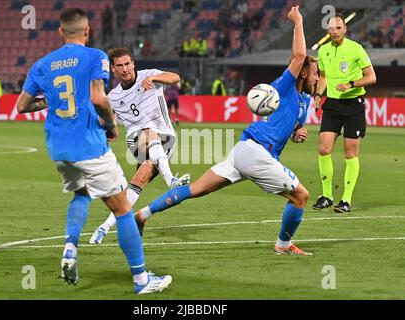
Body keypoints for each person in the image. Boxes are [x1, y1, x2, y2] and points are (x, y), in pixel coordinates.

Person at [135, 6, 318, 256]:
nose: (317, 79)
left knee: (196, 189)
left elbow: (288, 123)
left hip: (244, 152)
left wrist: (297, 132)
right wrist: (297, 21)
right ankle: (283, 245)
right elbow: (299, 56)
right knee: (301, 196)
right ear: (304, 72)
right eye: (315, 74)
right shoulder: (284, 86)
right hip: (257, 154)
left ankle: (142, 215)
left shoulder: (301, 101)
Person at [15, 8, 171, 294]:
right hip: (89, 145)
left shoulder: (42, 64)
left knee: (81, 193)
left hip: (59, 148)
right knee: (124, 209)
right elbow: (99, 98)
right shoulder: (95, 56)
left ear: (60, 32)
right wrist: (111, 125)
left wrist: (50, 103)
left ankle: (70, 249)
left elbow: (22, 106)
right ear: (87, 31)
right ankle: (141, 281)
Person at [89, 47, 190, 244]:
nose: (125, 69)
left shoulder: (149, 75)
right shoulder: (114, 97)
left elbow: (175, 78)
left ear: (133, 64)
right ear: (113, 69)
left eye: (128, 64)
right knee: (147, 130)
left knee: (138, 182)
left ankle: (104, 227)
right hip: (137, 141)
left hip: (166, 138)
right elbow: (106, 121)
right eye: (120, 66)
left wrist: (155, 80)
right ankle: (171, 180)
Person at [312, 13, 376, 213]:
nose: (335, 31)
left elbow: (371, 77)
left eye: (338, 28)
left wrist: (351, 84)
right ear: (327, 31)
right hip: (332, 104)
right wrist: (317, 95)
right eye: (331, 28)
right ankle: (327, 196)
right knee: (324, 149)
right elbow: (322, 77)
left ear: (345, 29)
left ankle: (346, 199)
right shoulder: (323, 50)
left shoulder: (355, 49)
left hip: (353, 105)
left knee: (350, 152)